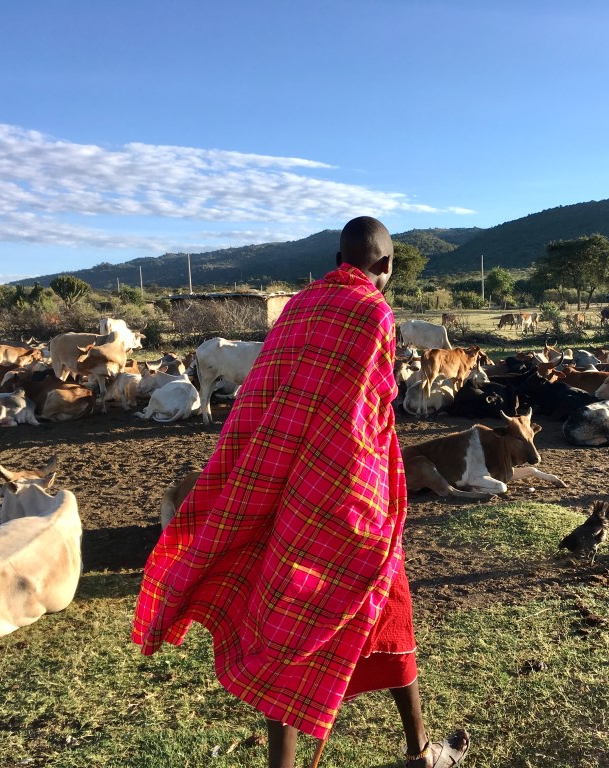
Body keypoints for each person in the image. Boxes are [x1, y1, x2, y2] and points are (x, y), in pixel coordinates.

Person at [132, 216, 469, 768]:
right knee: (389, 606)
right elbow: (369, 410)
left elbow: (264, 395)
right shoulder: (374, 312)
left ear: (340, 259)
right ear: (385, 266)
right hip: (347, 492)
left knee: (287, 620)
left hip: (283, 488)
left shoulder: (298, 306)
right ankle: (419, 754)